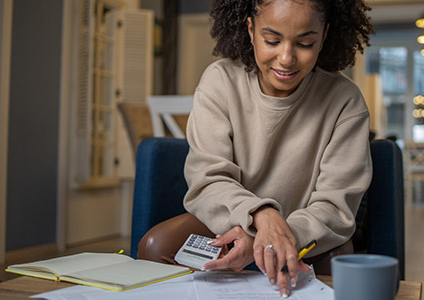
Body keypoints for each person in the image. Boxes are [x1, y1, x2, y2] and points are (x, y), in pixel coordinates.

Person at [138, 0, 373, 297]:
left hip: (304, 231)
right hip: (229, 221)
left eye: (305, 42)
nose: (286, 58)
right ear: (250, 29)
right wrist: (260, 218)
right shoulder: (220, 81)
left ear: (324, 35)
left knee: (338, 260)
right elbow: (208, 179)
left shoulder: (345, 101)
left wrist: (276, 239)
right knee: (155, 246)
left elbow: (335, 207)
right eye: (272, 40)